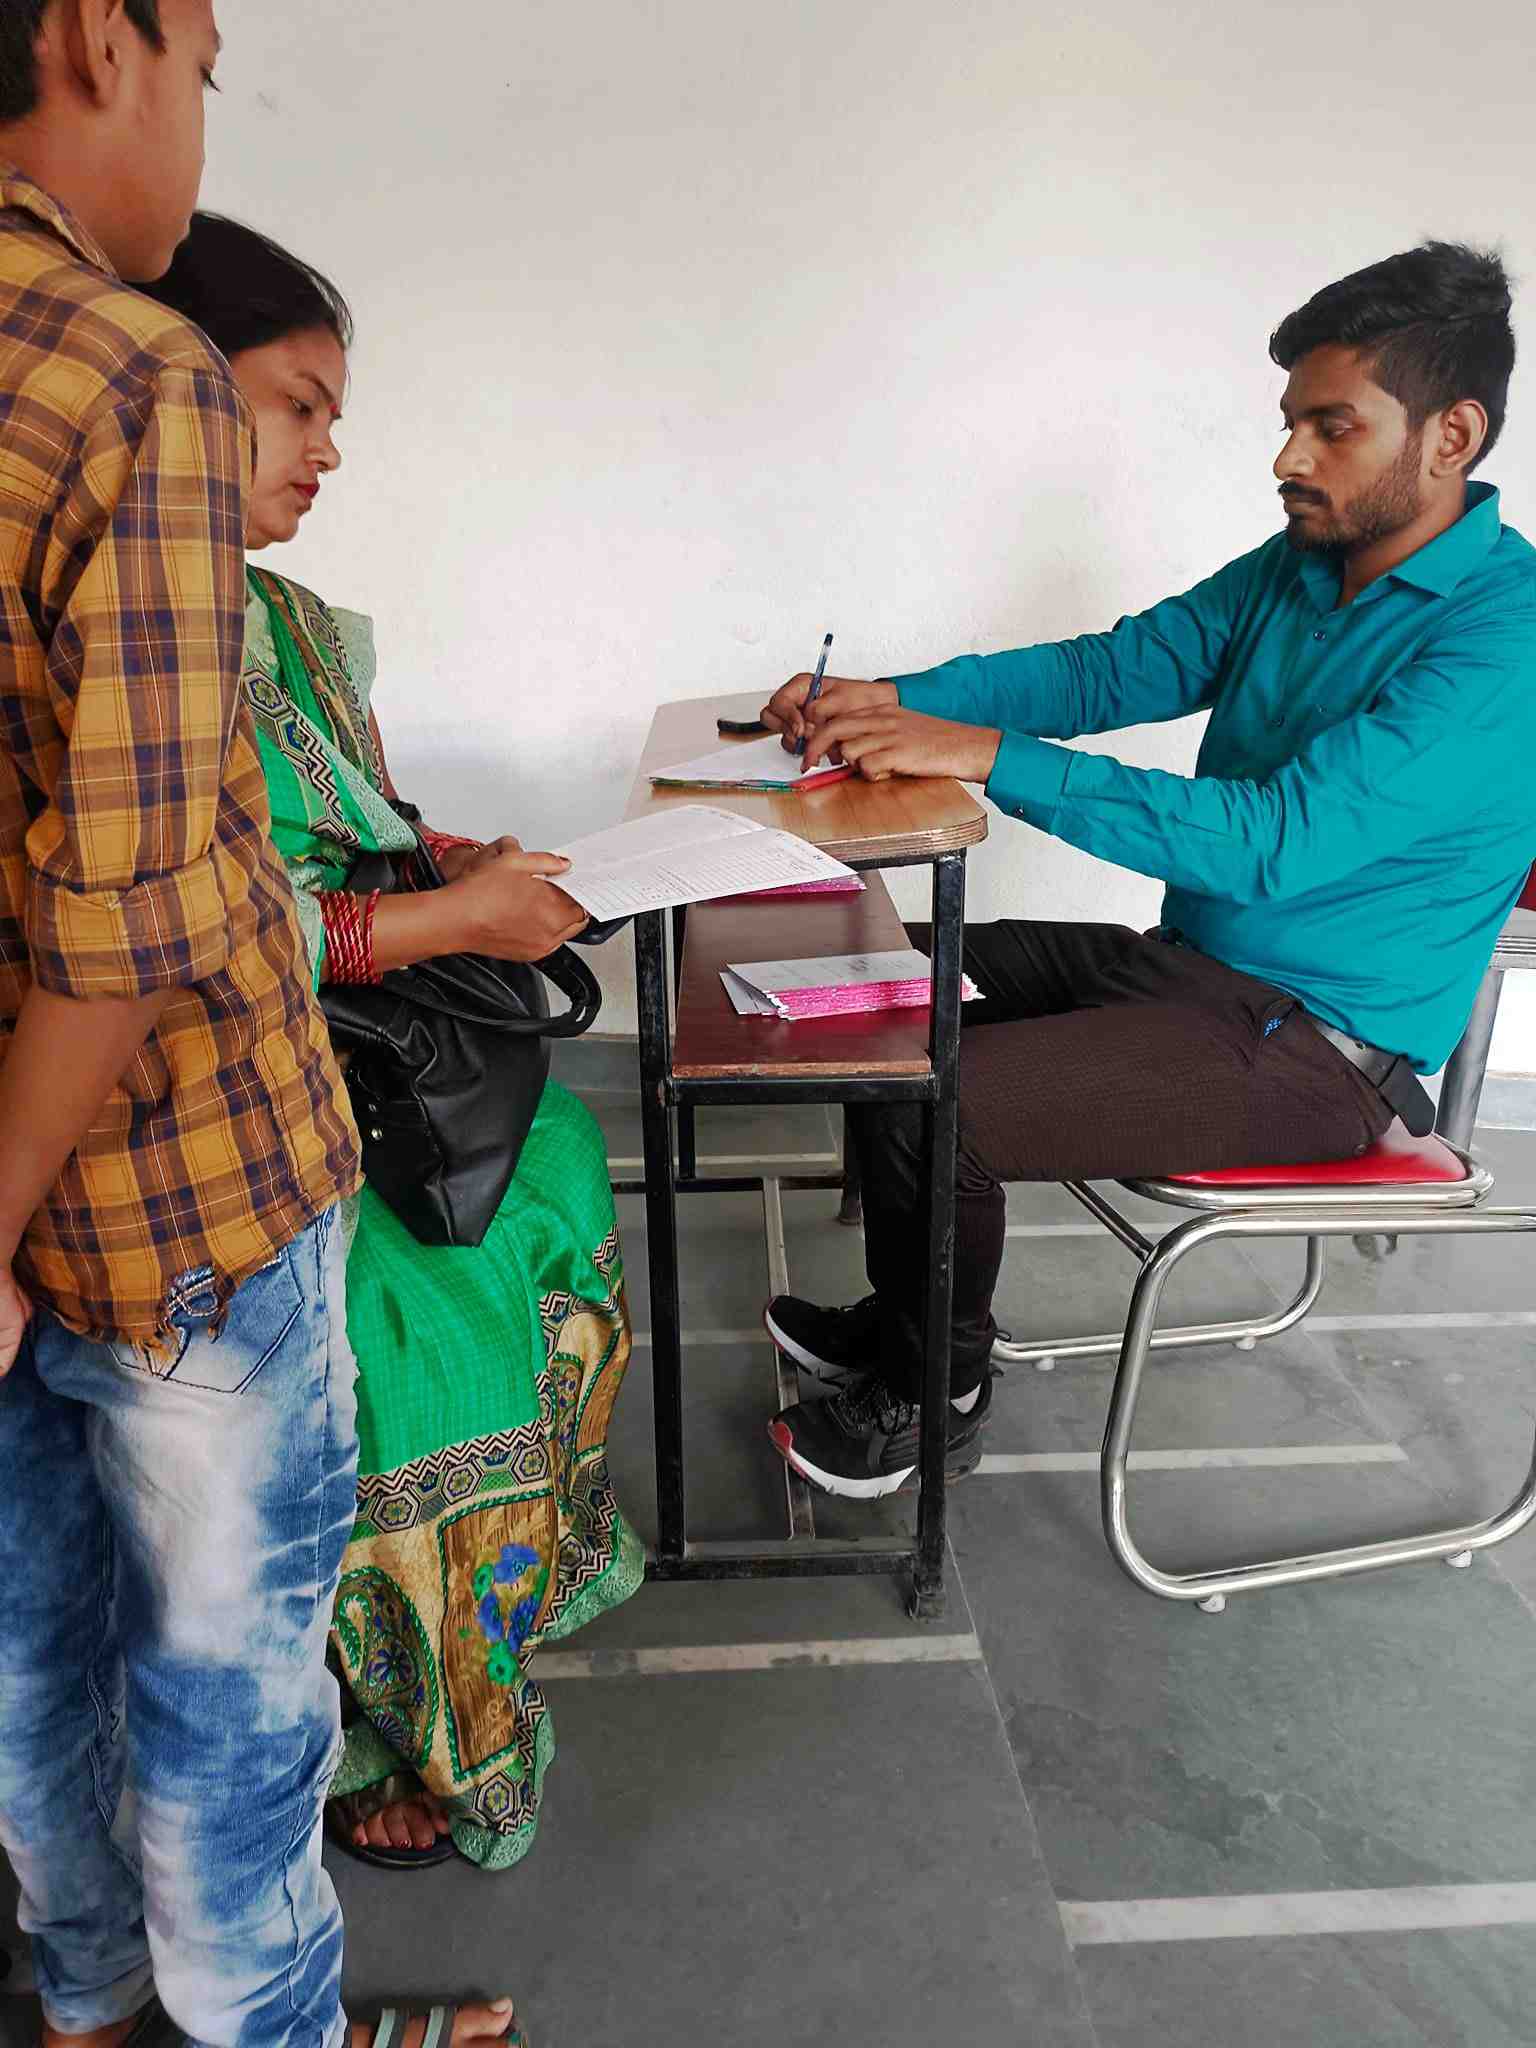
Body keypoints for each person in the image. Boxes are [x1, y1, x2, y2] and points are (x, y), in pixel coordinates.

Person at [0, 4, 521, 2043]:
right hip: (175, 1186)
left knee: (35, 1659)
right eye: (203, 62)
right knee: (226, 1698)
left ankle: (88, 2011)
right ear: (93, 38)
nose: (197, 119)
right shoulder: (122, 369)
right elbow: (134, 915)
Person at [759, 241, 1536, 1501]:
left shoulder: (1507, 638)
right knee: (884, 981)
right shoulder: (1303, 564)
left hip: (1316, 1049)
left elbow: (1270, 838)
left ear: (1451, 434)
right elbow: (1111, 671)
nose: (1288, 459)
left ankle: (937, 1390)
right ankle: (917, 1315)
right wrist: (892, 699)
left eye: (1331, 428)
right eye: (1289, 424)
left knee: (937, 1094)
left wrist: (985, 753)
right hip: (1191, 973)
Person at [145, 211, 645, 1871]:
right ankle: (391, 1716)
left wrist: (465, 868)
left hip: (370, 1062)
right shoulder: (115, 633)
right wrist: (440, 919)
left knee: (551, 1162)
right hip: (204, 1101)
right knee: (402, 1301)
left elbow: (357, 833)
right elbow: (171, 933)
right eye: (295, 403)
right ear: (165, 396)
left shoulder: (288, 623)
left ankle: (488, 1621)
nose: (331, 446)